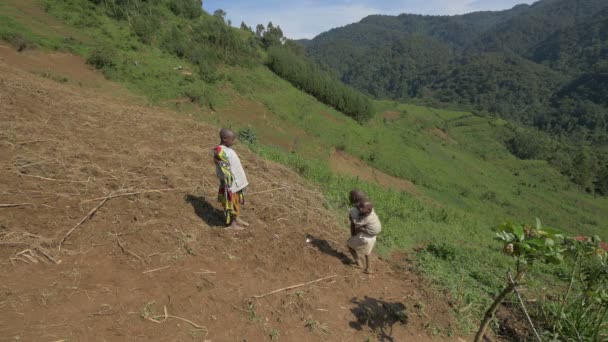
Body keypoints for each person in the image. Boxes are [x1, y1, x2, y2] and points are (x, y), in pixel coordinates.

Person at [213, 128, 249, 229]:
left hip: (236, 182)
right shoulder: (219, 151)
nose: (233, 142)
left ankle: (236, 218)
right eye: (232, 139)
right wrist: (229, 185)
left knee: (236, 201)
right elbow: (225, 170)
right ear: (224, 139)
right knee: (231, 202)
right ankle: (232, 224)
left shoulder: (227, 150)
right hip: (230, 184)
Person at [347, 200, 381, 274]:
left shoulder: (365, 219)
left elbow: (355, 225)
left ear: (368, 210)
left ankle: (359, 264)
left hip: (366, 237)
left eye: (362, 207)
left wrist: (353, 235)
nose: (360, 209)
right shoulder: (372, 213)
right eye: (360, 207)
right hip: (373, 237)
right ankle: (368, 269)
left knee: (350, 246)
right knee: (367, 253)